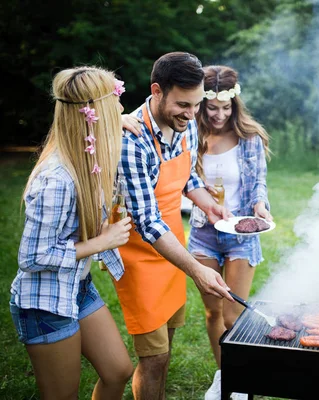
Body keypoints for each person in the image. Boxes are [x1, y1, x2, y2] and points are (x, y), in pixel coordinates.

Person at [9, 66, 134, 399]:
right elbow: (31, 257)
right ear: (95, 114)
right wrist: (100, 243)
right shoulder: (57, 179)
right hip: (45, 303)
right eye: (116, 103)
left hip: (77, 288)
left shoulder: (89, 155)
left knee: (118, 370)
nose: (122, 109)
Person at [115, 52, 234, 400]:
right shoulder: (132, 140)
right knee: (154, 357)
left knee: (167, 343)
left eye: (196, 105)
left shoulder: (187, 124)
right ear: (156, 90)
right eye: (183, 104)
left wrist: (208, 204)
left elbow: (186, 180)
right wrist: (196, 269)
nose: (191, 113)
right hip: (139, 251)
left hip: (173, 249)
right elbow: (147, 222)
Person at [187, 65, 272, 400]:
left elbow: (258, 184)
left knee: (233, 312)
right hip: (203, 235)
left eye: (226, 108)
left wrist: (260, 206)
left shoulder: (248, 137)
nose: (219, 114)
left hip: (239, 233)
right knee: (211, 312)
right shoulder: (189, 136)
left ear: (235, 104)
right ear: (200, 104)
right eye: (212, 108)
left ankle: (242, 378)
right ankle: (225, 376)